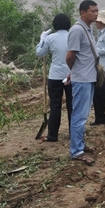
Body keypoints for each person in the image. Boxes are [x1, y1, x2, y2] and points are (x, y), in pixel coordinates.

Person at [66, 0, 98, 166]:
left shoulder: (88, 29)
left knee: (83, 115)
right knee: (78, 116)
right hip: (82, 79)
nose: (96, 14)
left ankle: (80, 145)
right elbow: (70, 56)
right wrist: (74, 72)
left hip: (88, 78)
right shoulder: (77, 30)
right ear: (82, 13)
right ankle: (76, 151)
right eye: (92, 11)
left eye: (97, 11)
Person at [35, 13, 73, 142]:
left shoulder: (50, 38)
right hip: (71, 75)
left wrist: (42, 39)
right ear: (68, 24)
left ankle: (52, 135)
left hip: (55, 76)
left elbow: (40, 53)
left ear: (55, 24)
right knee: (72, 105)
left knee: (55, 105)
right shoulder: (72, 36)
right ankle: (74, 133)